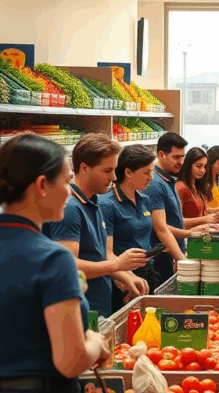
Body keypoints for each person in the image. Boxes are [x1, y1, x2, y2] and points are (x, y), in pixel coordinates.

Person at [0, 134, 111, 393]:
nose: (70, 191)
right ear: (41, 185)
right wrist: (95, 343)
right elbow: (71, 361)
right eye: (65, 180)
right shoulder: (53, 258)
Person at [44, 133, 148, 318]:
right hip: (78, 314)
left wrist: (125, 276)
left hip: (98, 309)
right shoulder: (70, 209)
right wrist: (116, 265)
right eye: (107, 171)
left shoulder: (94, 201)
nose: (114, 177)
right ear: (84, 168)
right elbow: (68, 266)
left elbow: (98, 255)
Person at [102, 146, 162, 311]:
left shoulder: (144, 199)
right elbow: (106, 252)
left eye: (152, 172)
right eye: (146, 172)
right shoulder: (107, 204)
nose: (151, 177)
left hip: (146, 274)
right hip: (122, 280)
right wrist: (128, 279)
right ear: (128, 172)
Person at [145, 133, 209, 284]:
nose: (180, 162)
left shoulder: (168, 180)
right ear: (161, 155)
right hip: (162, 256)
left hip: (172, 253)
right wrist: (181, 257)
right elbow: (160, 228)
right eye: (176, 157)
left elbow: (174, 220)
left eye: (182, 157)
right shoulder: (155, 184)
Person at [176, 148, 219, 223]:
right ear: (189, 165)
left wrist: (217, 213)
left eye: (205, 167)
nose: (202, 170)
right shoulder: (181, 187)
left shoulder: (198, 186)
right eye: (198, 166)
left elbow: (203, 210)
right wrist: (204, 219)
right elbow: (176, 222)